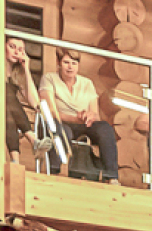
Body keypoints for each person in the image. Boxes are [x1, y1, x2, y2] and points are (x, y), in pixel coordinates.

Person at [41, 48, 117, 183]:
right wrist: (76, 118)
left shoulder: (87, 83)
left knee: (104, 128)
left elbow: (95, 114)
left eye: (74, 63)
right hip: (61, 122)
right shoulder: (49, 78)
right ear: (58, 62)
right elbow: (50, 112)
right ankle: (53, 173)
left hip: (83, 125)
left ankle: (111, 176)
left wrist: (89, 116)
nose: (70, 67)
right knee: (62, 131)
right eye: (66, 62)